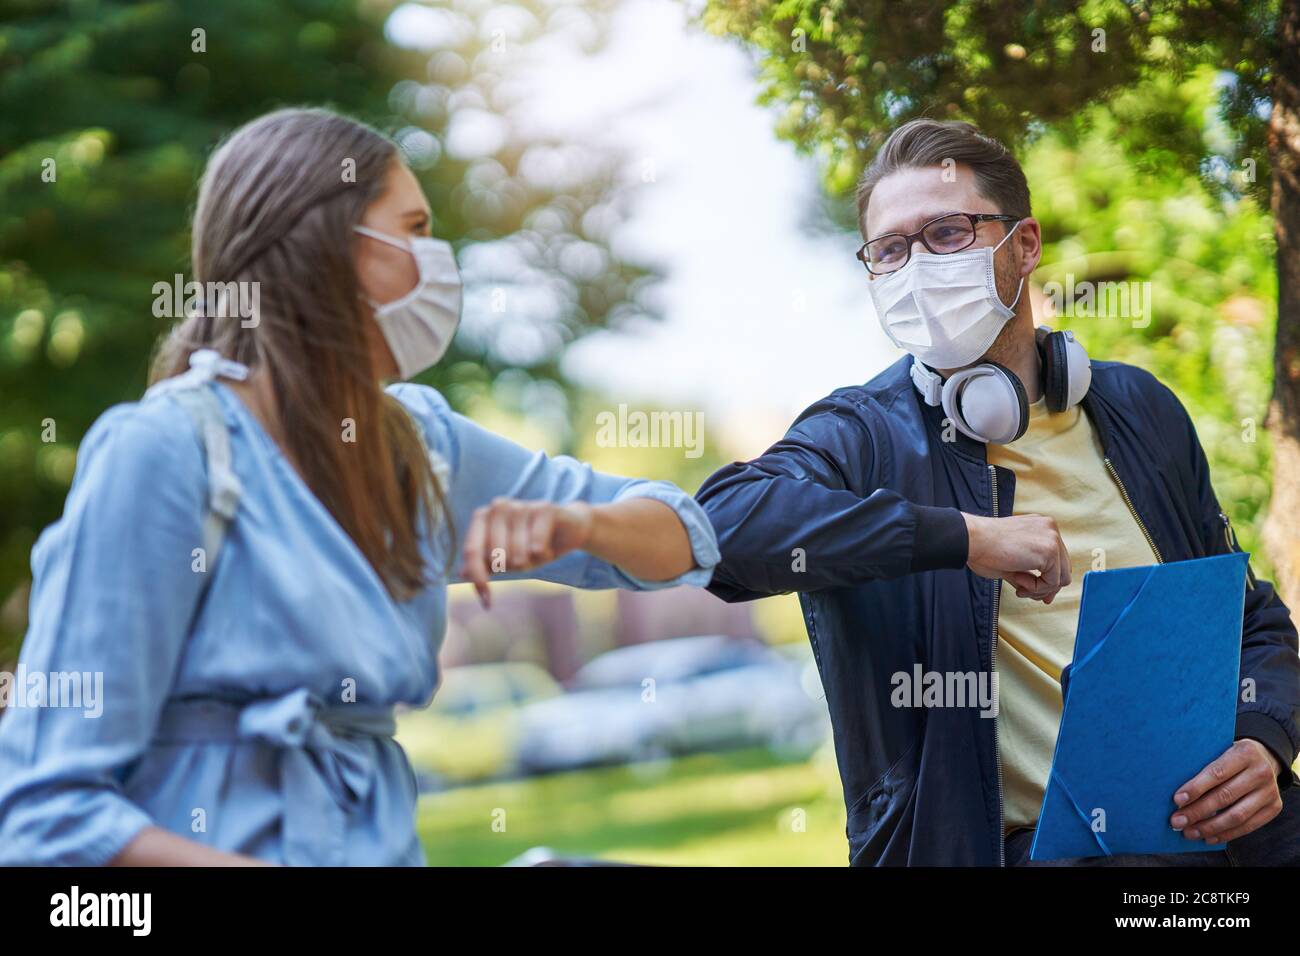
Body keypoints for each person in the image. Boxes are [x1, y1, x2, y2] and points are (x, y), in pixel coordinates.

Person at [0, 107, 719, 866]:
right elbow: (48, 814)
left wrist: (577, 526)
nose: (438, 260)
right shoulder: (166, 453)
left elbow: (681, 535)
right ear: (326, 247)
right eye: (412, 230)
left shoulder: (418, 443)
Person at [695, 118, 1300, 866]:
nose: (916, 267)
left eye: (946, 233)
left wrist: (1263, 736)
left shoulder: (1140, 409)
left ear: (1025, 244)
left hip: (1226, 849)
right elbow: (720, 532)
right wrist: (966, 538)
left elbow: (1251, 620)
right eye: (890, 250)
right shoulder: (864, 437)